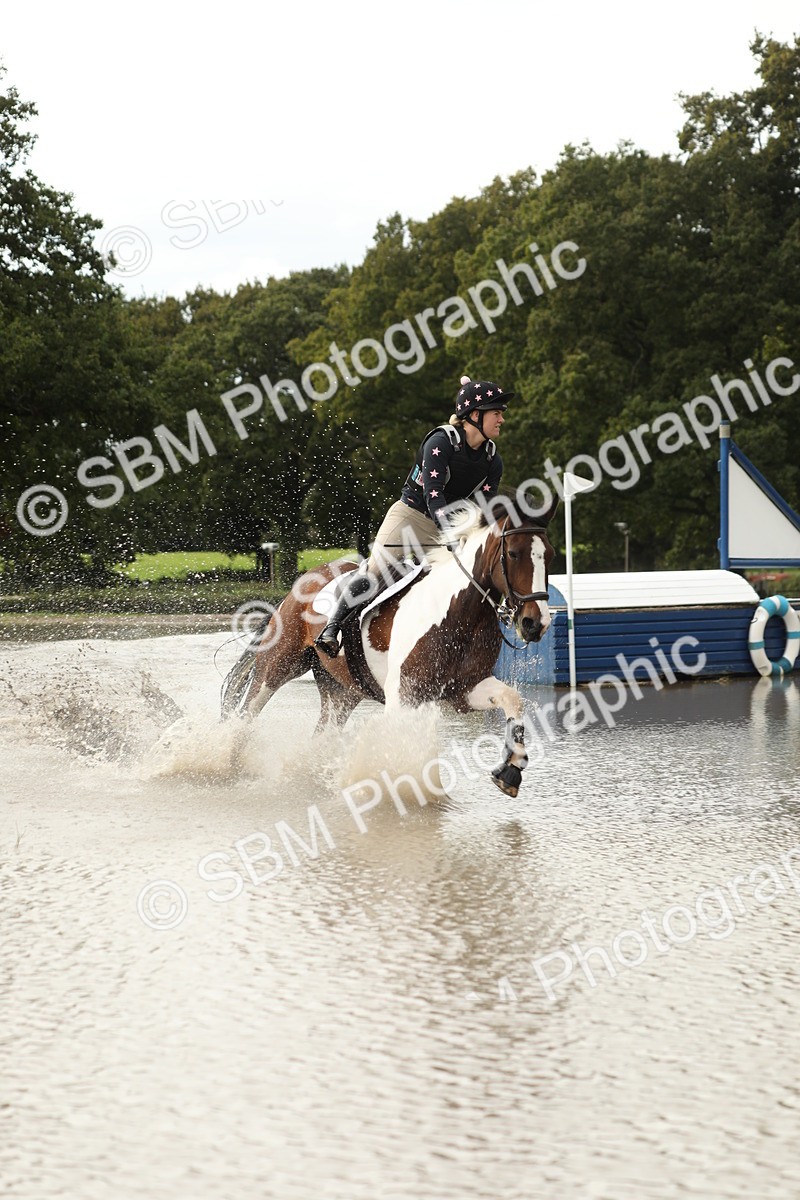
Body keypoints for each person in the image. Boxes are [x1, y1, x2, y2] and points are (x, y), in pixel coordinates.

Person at [314, 374, 513, 658]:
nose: (501, 420)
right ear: (475, 415)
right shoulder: (440, 442)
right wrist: (451, 537)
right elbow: (434, 495)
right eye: (496, 413)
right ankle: (332, 628)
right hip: (410, 516)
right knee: (377, 570)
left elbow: (483, 509)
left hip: (449, 525)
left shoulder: (493, 460)